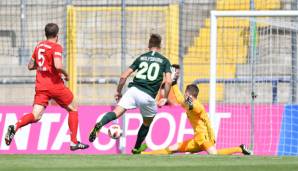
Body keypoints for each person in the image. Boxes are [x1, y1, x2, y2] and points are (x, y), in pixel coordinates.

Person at [4, 23, 89, 151]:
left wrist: (42, 66)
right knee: (73, 108)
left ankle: (15, 126)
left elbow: (30, 66)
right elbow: (58, 66)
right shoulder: (56, 47)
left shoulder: (39, 46)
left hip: (41, 86)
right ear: (57, 35)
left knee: (36, 115)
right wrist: (66, 75)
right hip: (55, 85)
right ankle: (73, 142)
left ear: (46, 33)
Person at [89, 33, 172, 154]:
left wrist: (118, 91)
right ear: (160, 46)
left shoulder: (141, 57)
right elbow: (169, 81)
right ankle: (136, 147)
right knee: (146, 122)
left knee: (116, 113)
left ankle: (100, 124)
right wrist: (164, 97)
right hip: (148, 96)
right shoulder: (164, 61)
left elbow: (123, 76)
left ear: (149, 45)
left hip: (133, 91)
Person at [141, 72, 252, 155]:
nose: (184, 95)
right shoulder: (186, 102)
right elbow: (180, 98)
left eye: (185, 93)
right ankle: (143, 154)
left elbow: (191, 106)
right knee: (172, 148)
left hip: (205, 137)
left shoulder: (197, 105)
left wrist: (212, 137)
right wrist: (174, 83)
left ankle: (240, 148)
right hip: (196, 140)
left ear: (188, 94)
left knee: (215, 154)